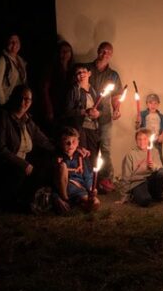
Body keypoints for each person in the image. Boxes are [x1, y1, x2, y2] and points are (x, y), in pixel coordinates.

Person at [0, 85, 55, 210]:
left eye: (27, 99)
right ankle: (8, 201)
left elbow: (44, 141)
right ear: (13, 98)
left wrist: (69, 147)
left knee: (48, 163)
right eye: (20, 98)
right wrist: (22, 164)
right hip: (6, 164)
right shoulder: (4, 117)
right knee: (20, 171)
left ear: (31, 102)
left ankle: (35, 198)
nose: (23, 102)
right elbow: (0, 149)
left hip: (23, 162)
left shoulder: (27, 120)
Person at [87, 41, 123, 193]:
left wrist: (116, 109)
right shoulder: (87, 69)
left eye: (108, 52)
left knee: (105, 149)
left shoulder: (113, 75)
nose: (105, 54)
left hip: (105, 118)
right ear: (98, 51)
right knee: (90, 149)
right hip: (87, 118)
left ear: (111, 55)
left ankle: (106, 179)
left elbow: (116, 96)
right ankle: (90, 180)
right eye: (103, 51)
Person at [52, 127, 100, 213]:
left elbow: (88, 176)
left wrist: (91, 188)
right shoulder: (58, 158)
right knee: (63, 166)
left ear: (78, 143)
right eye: (66, 141)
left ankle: (76, 204)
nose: (70, 145)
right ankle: (65, 200)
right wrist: (56, 196)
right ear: (61, 142)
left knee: (95, 203)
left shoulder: (80, 157)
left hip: (79, 190)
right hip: (64, 190)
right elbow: (51, 181)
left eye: (74, 141)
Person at [65, 63, 101, 169]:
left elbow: (101, 109)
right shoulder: (74, 91)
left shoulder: (93, 90)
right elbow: (67, 111)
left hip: (93, 128)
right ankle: (84, 180)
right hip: (80, 128)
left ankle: (93, 181)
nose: (81, 74)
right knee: (83, 155)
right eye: (78, 73)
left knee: (94, 156)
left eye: (84, 72)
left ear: (89, 74)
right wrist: (84, 112)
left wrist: (98, 113)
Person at [117, 128, 163, 207]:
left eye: (145, 139)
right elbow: (126, 176)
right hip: (138, 182)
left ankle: (157, 195)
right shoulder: (131, 154)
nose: (142, 142)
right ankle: (138, 195)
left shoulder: (154, 151)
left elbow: (160, 167)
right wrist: (124, 196)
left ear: (149, 140)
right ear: (136, 140)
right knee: (145, 200)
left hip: (151, 180)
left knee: (161, 173)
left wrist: (153, 166)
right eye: (139, 139)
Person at [43, 40, 75, 129]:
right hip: (55, 104)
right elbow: (45, 88)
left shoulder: (72, 69)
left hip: (69, 107)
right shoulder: (51, 68)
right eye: (63, 51)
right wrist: (49, 107)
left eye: (68, 51)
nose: (65, 54)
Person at [0, 33, 27, 105]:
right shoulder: (2, 61)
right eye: (11, 41)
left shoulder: (21, 61)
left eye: (17, 41)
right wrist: (3, 103)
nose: (15, 44)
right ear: (6, 43)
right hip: (7, 102)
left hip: (19, 102)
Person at [139, 93, 163, 163]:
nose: (153, 105)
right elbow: (138, 126)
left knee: (158, 157)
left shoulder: (161, 116)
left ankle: (159, 172)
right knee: (146, 158)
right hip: (146, 141)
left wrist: (162, 136)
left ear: (158, 104)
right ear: (147, 104)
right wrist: (137, 122)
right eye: (150, 103)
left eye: (155, 103)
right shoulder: (143, 114)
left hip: (157, 141)